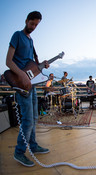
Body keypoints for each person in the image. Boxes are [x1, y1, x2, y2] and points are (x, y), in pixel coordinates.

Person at [6, 11, 50, 167]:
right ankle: (19, 152)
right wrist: (22, 75)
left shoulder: (31, 41)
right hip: (21, 84)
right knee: (27, 120)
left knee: (34, 118)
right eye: (32, 23)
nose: (34, 27)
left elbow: (30, 65)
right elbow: (8, 62)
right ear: (26, 21)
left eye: (37, 25)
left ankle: (33, 145)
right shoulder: (17, 35)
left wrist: (42, 64)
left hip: (31, 85)